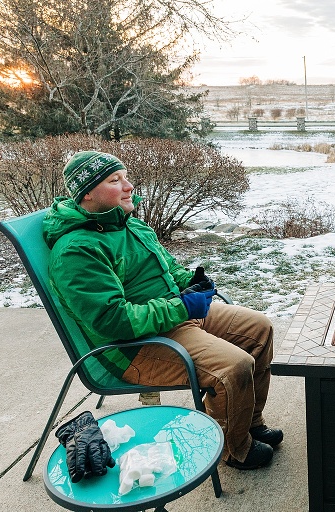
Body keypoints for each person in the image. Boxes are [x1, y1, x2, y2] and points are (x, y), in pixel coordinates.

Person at [42, 151, 283, 472]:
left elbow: (168, 269)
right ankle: (234, 448)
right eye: (115, 180)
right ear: (87, 193)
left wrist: (191, 282)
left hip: (173, 318)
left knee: (259, 328)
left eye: (125, 177)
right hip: (135, 347)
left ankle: (248, 422)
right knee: (233, 366)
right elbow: (114, 320)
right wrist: (181, 307)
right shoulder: (76, 250)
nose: (128, 186)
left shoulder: (130, 226)